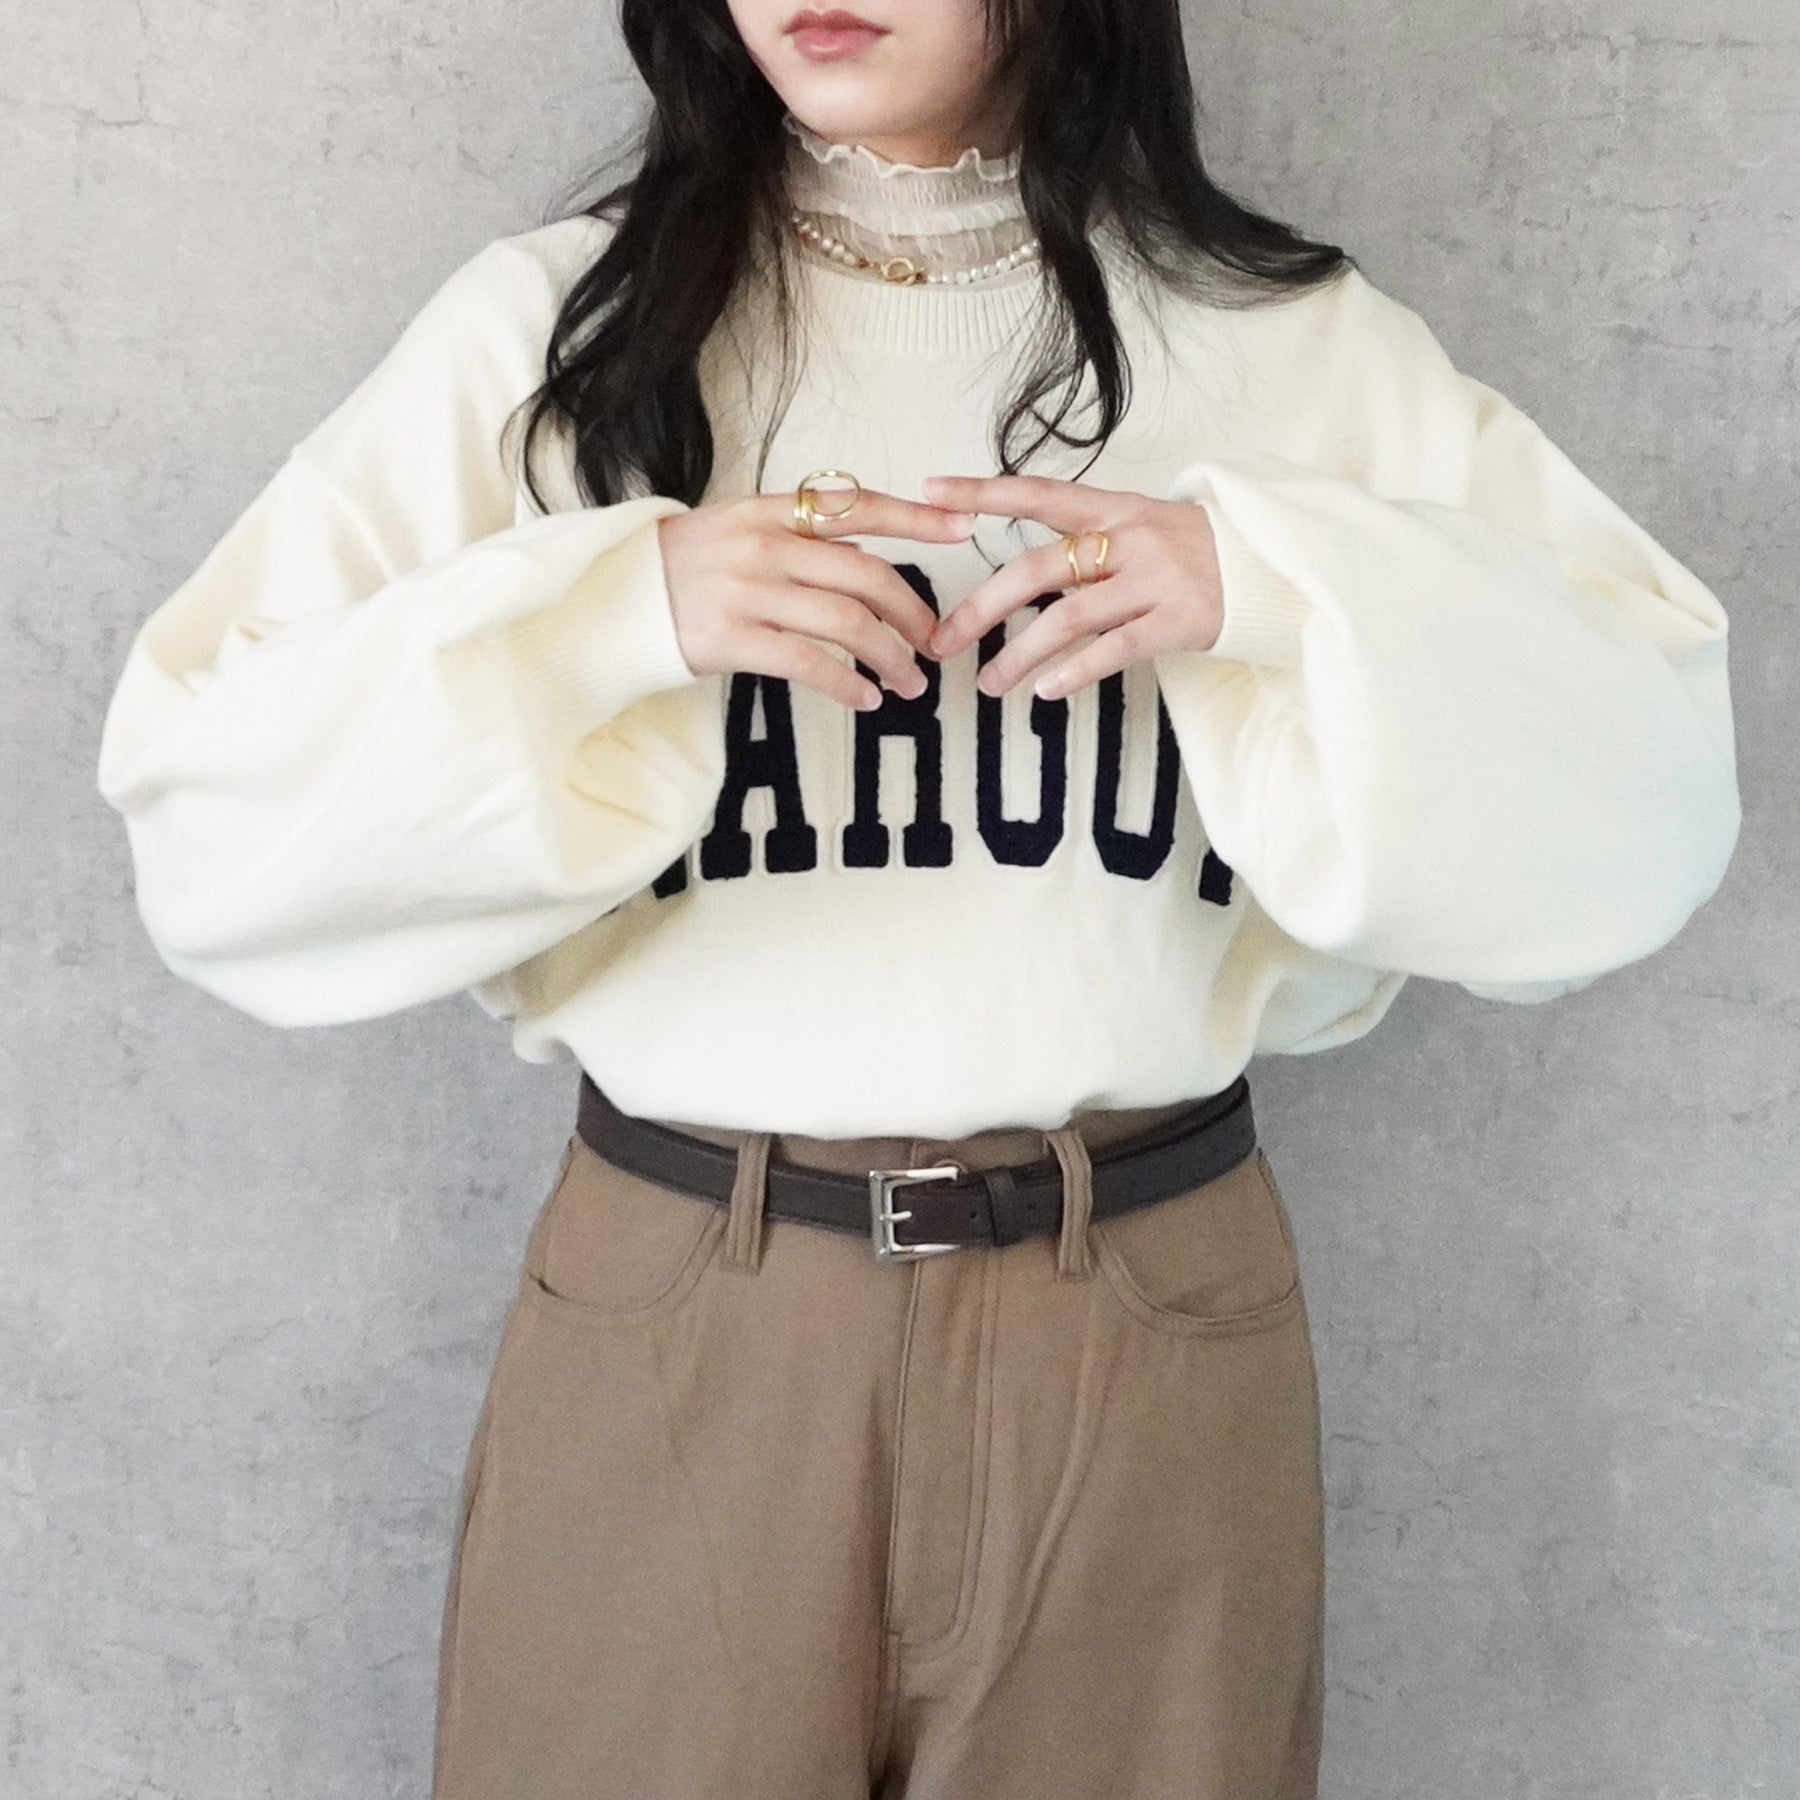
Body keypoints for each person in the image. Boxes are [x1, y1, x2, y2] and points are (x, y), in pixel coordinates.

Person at [93, 1, 1742, 1795]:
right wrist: (615, 613)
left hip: (1141, 1309)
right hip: (687, 1307)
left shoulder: (1285, 343)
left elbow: (1642, 818)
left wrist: (1273, 585)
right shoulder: (558, 330)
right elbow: (212, 835)